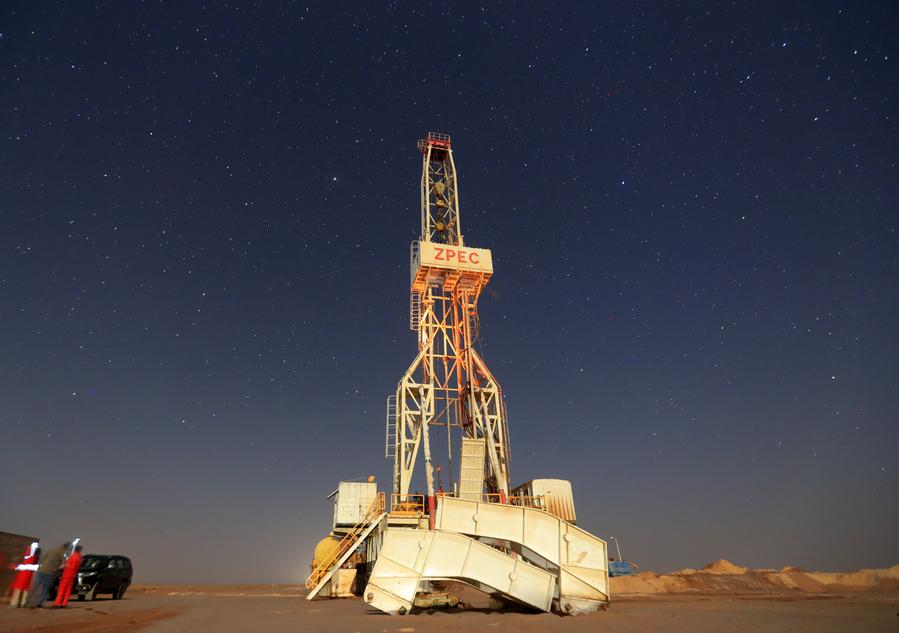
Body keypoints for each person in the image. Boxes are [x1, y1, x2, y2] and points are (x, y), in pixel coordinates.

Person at [27, 542, 69, 608]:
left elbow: (44, 558)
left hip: (42, 570)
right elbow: (60, 565)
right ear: (66, 548)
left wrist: (39, 566)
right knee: (45, 589)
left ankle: (27, 601)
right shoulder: (62, 554)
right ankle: (40, 603)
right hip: (49, 573)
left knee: (34, 587)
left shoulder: (52, 549)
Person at [8, 542, 39, 608]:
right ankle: (23, 603)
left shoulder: (27, 554)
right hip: (29, 573)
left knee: (18, 589)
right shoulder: (35, 556)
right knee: (25, 589)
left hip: (23, 573)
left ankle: (14, 603)